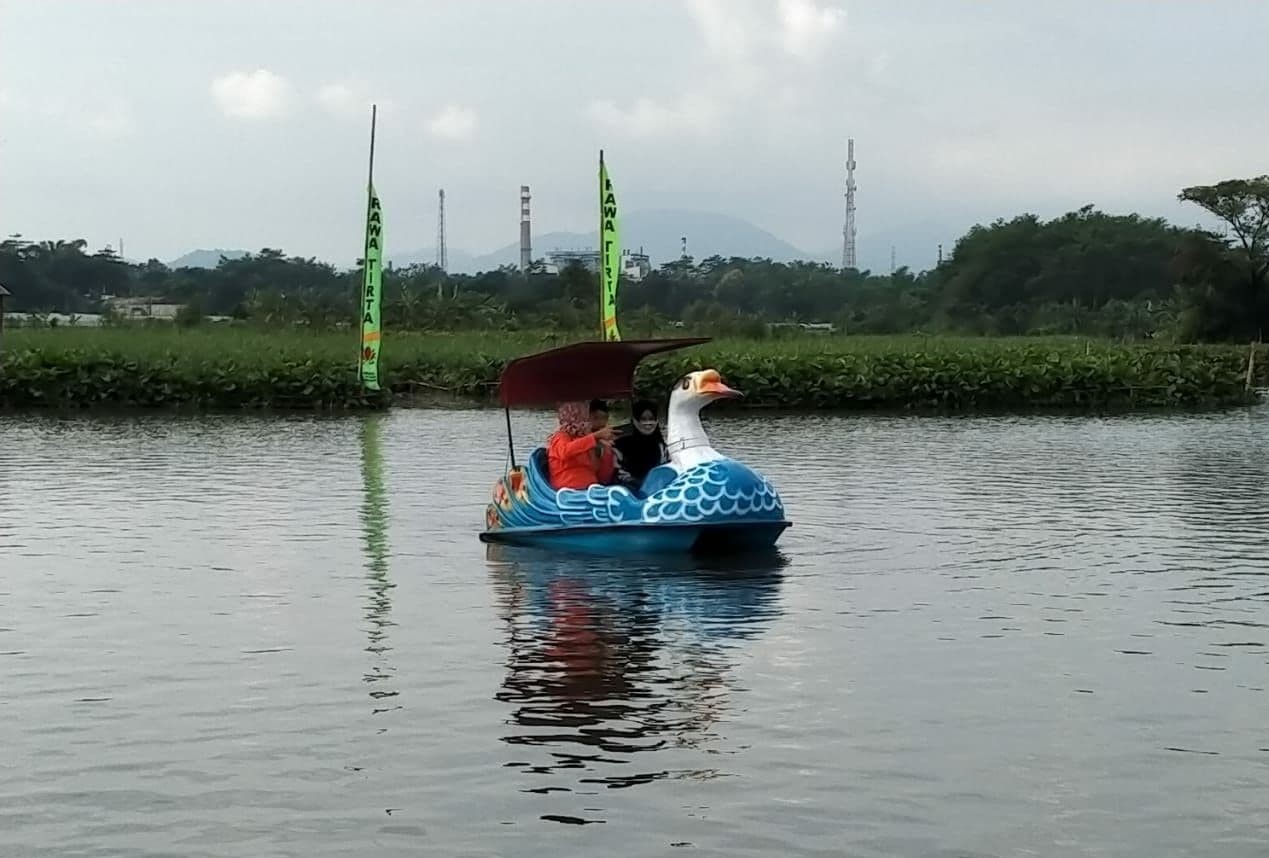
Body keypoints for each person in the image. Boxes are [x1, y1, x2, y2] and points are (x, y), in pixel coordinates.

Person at [547, 401, 616, 490]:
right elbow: (565, 452)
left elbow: (603, 479)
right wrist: (594, 437)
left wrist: (607, 451)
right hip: (567, 493)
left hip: (591, 491)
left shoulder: (589, 441)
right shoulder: (560, 436)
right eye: (589, 418)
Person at [613, 398, 667, 488]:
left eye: (651, 418)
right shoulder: (620, 445)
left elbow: (666, 471)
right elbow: (618, 474)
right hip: (629, 494)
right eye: (643, 419)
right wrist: (636, 482)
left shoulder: (661, 446)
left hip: (657, 492)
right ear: (634, 420)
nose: (648, 423)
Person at [589, 399, 618, 485]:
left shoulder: (611, 436)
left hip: (609, 480)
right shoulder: (585, 440)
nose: (601, 422)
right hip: (594, 483)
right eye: (596, 418)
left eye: (604, 418)